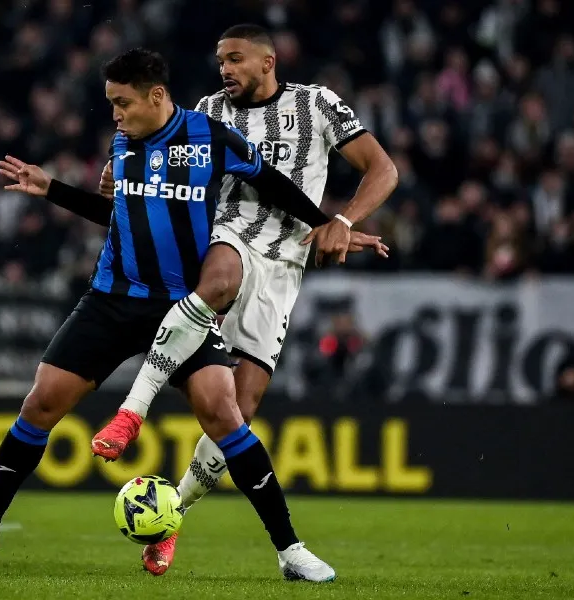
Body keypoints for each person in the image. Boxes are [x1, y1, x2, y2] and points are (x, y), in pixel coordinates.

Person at [0, 48, 338, 582]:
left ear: (156, 96)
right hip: (111, 299)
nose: (115, 115)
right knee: (40, 403)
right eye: (110, 104)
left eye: (122, 103)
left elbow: (271, 183)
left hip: (182, 308)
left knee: (224, 414)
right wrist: (50, 188)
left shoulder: (209, 137)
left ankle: (290, 550)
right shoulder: (122, 143)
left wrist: (329, 222)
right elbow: (122, 213)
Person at [92, 24, 399, 575]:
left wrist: (344, 221)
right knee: (217, 281)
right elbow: (150, 141)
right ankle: (131, 412)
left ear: (267, 61)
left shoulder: (317, 105)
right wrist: (120, 166)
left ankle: (171, 517)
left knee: (239, 410)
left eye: (235, 59)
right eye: (219, 62)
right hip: (228, 232)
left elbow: (384, 168)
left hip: (286, 266)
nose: (224, 70)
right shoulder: (208, 109)